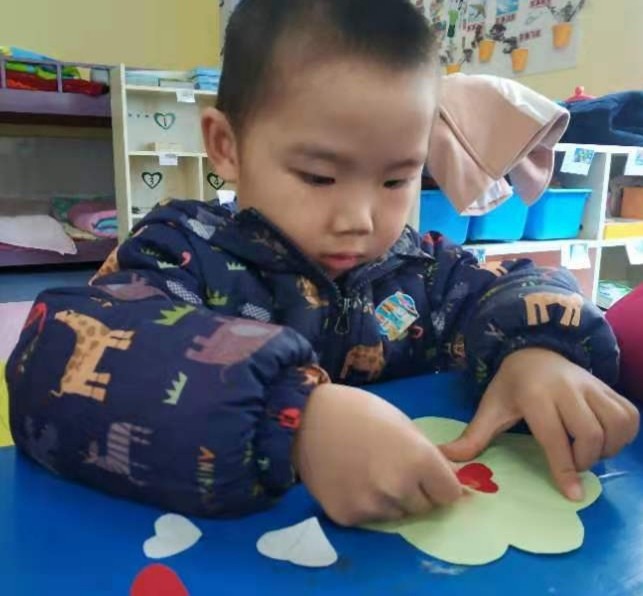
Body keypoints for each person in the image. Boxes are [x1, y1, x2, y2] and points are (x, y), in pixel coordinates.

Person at [7, 0, 638, 526]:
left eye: (396, 179)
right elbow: (52, 360)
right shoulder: (180, 250)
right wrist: (294, 420)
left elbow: (520, 285)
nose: (359, 219)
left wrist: (537, 351)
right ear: (226, 146)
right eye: (318, 176)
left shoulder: (420, 269)